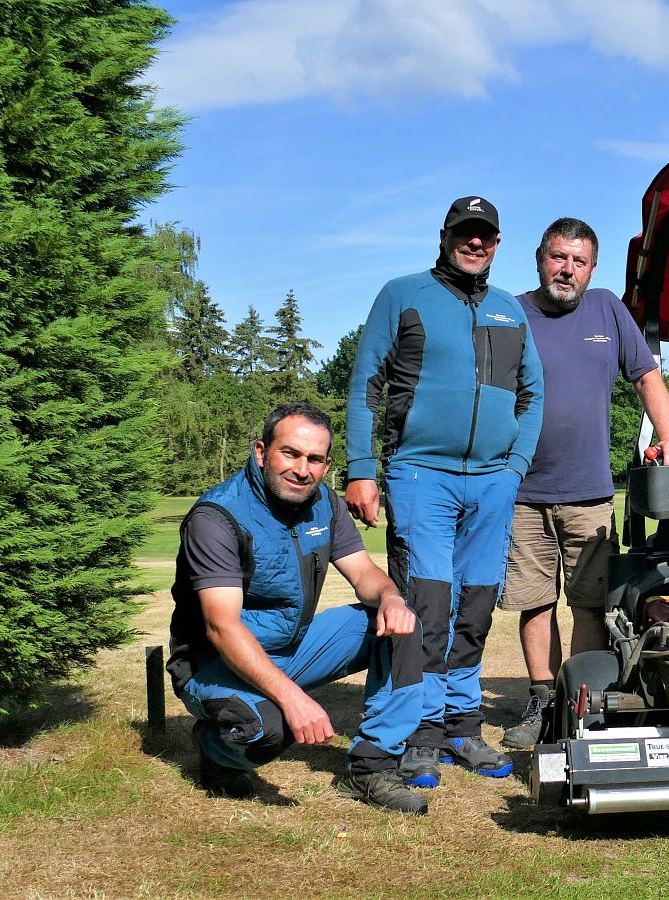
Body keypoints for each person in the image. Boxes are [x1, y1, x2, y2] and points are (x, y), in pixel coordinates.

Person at [344, 195, 544, 788]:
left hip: (493, 482)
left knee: (476, 606)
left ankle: (462, 725)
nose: (474, 243)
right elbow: (366, 385)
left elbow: (533, 394)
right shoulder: (402, 294)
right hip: (419, 474)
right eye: (465, 232)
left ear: (497, 244)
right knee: (427, 604)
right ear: (445, 235)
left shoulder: (510, 309)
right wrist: (361, 468)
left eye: (485, 235)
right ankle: (422, 731)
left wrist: (514, 468)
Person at [168, 404, 427, 814]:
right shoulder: (217, 517)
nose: (302, 470)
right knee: (271, 728)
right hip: (214, 660)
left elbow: (364, 574)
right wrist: (293, 700)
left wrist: (392, 598)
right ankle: (217, 750)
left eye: (315, 459)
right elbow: (221, 627)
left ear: (327, 465)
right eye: (290, 453)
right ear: (261, 452)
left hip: (293, 647)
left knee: (402, 623)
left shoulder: (325, 503)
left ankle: (372, 767)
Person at [497, 217, 669, 750]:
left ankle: (581, 702)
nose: (567, 269)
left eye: (579, 261)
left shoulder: (607, 308)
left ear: (592, 268)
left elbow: (647, 377)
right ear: (540, 259)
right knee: (534, 602)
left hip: (590, 492)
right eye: (559, 257)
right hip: (521, 492)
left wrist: (667, 436)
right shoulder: (512, 312)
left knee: (590, 604)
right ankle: (542, 701)